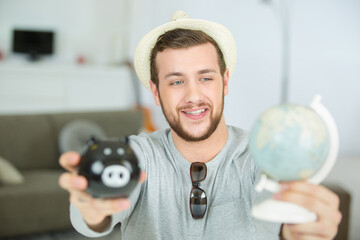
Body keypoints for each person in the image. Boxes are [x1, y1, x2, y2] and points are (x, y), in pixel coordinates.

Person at [58, 11, 342, 239]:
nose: (193, 96)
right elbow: (93, 216)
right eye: (177, 81)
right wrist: (92, 208)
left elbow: (282, 221)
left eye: (205, 78)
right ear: (156, 92)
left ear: (225, 82)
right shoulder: (136, 154)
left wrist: (300, 229)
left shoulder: (262, 157)